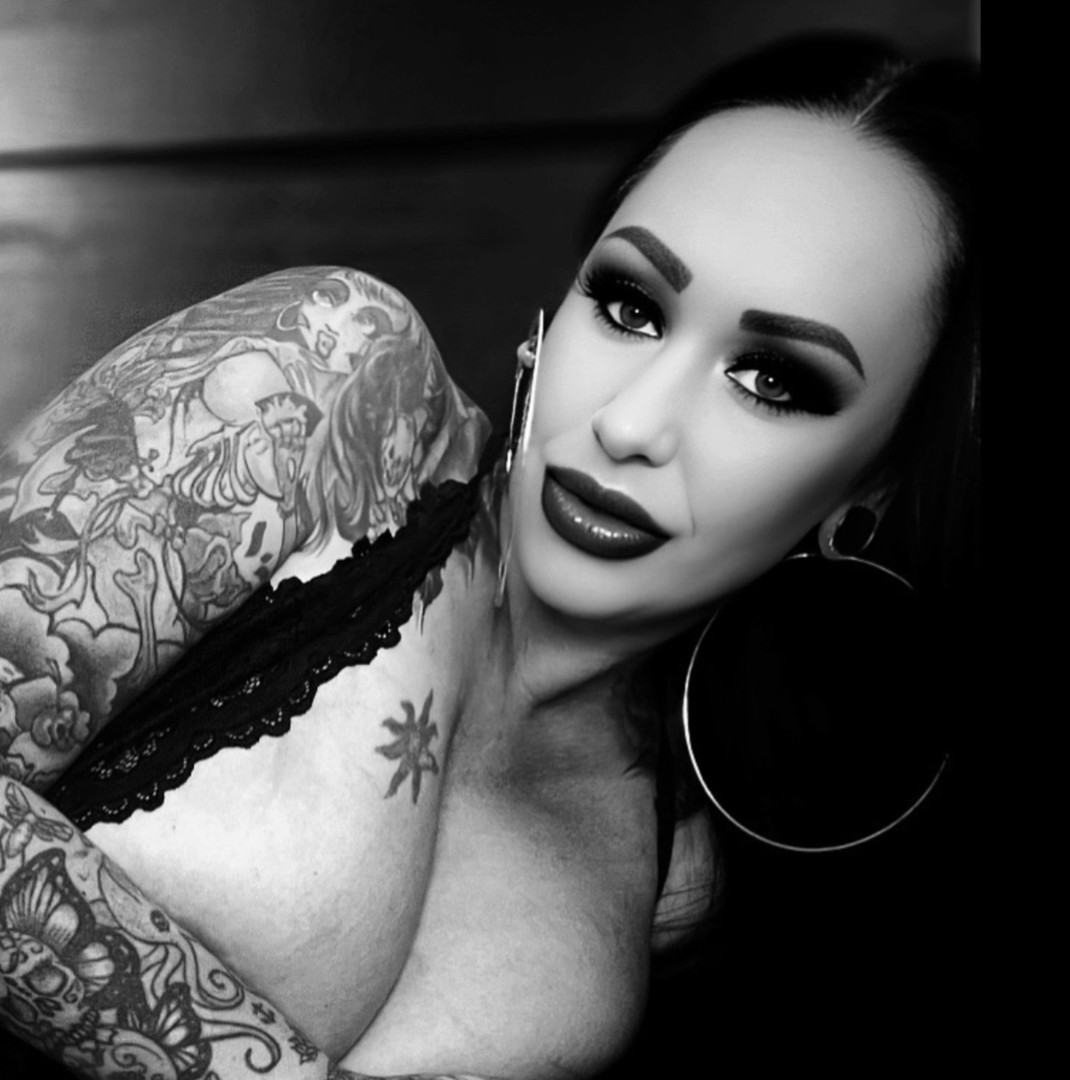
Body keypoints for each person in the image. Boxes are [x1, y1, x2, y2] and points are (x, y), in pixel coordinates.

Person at [0, 33, 978, 1080]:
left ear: (870, 488)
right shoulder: (326, 382)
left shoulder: (681, 871)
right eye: (631, 306)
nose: (631, 425)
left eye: (772, 380)